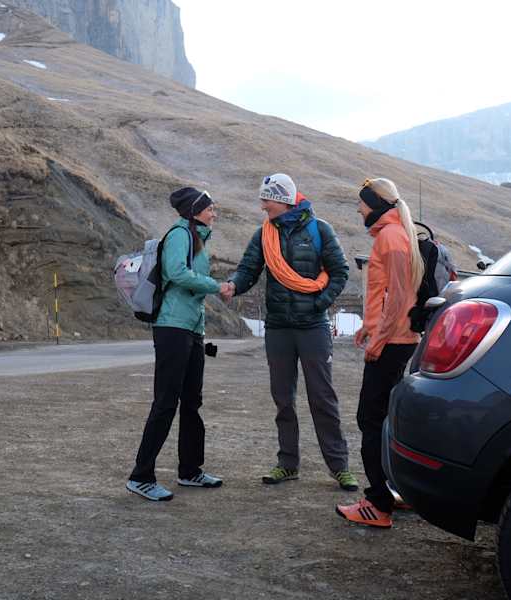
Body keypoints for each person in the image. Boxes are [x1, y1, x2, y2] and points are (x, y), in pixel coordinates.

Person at [221, 173, 358, 491]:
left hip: (313, 327)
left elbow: (340, 272)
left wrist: (318, 303)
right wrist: (233, 285)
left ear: (282, 199)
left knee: (323, 398)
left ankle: (340, 467)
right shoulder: (263, 234)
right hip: (279, 327)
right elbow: (248, 269)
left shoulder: (320, 230)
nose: (262, 204)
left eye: (266, 198)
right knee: (283, 399)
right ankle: (287, 464)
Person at [127, 187, 233, 502]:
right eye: (210, 208)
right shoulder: (179, 235)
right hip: (172, 327)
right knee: (165, 403)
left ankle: (190, 470)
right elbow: (176, 273)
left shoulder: (198, 238)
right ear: (194, 210)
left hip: (191, 328)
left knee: (191, 401)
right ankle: (140, 476)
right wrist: (217, 286)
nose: (214, 213)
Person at [336, 178, 423, 528]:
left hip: (393, 343)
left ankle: (378, 504)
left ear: (375, 204)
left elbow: (400, 299)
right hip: (395, 338)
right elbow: (388, 294)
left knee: (369, 420)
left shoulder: (391, 238)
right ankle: (390, 490)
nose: (358, 209)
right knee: (385, 419)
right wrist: (369, 326)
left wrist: (379, 338)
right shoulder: (396, 234)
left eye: (362, 203)